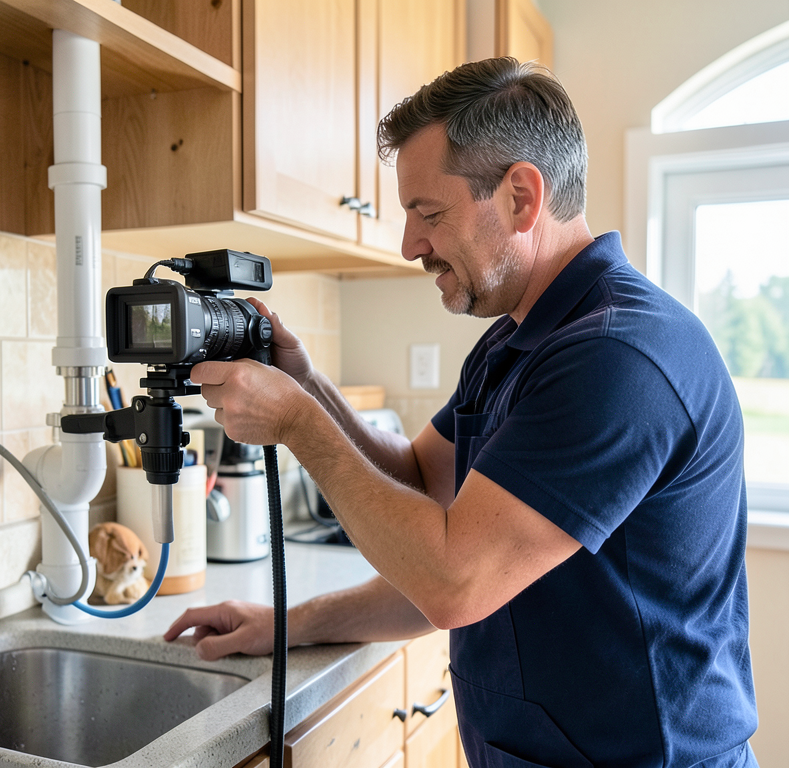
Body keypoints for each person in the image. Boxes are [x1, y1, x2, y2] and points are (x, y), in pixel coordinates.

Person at [164, 57, 757, 768]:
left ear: (520, 197)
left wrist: (297, 423)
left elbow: (454, 581)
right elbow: (422, 485)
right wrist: (309, 385)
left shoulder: (620, 357)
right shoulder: (514, 340)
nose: (411, 244)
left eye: (429, 214)